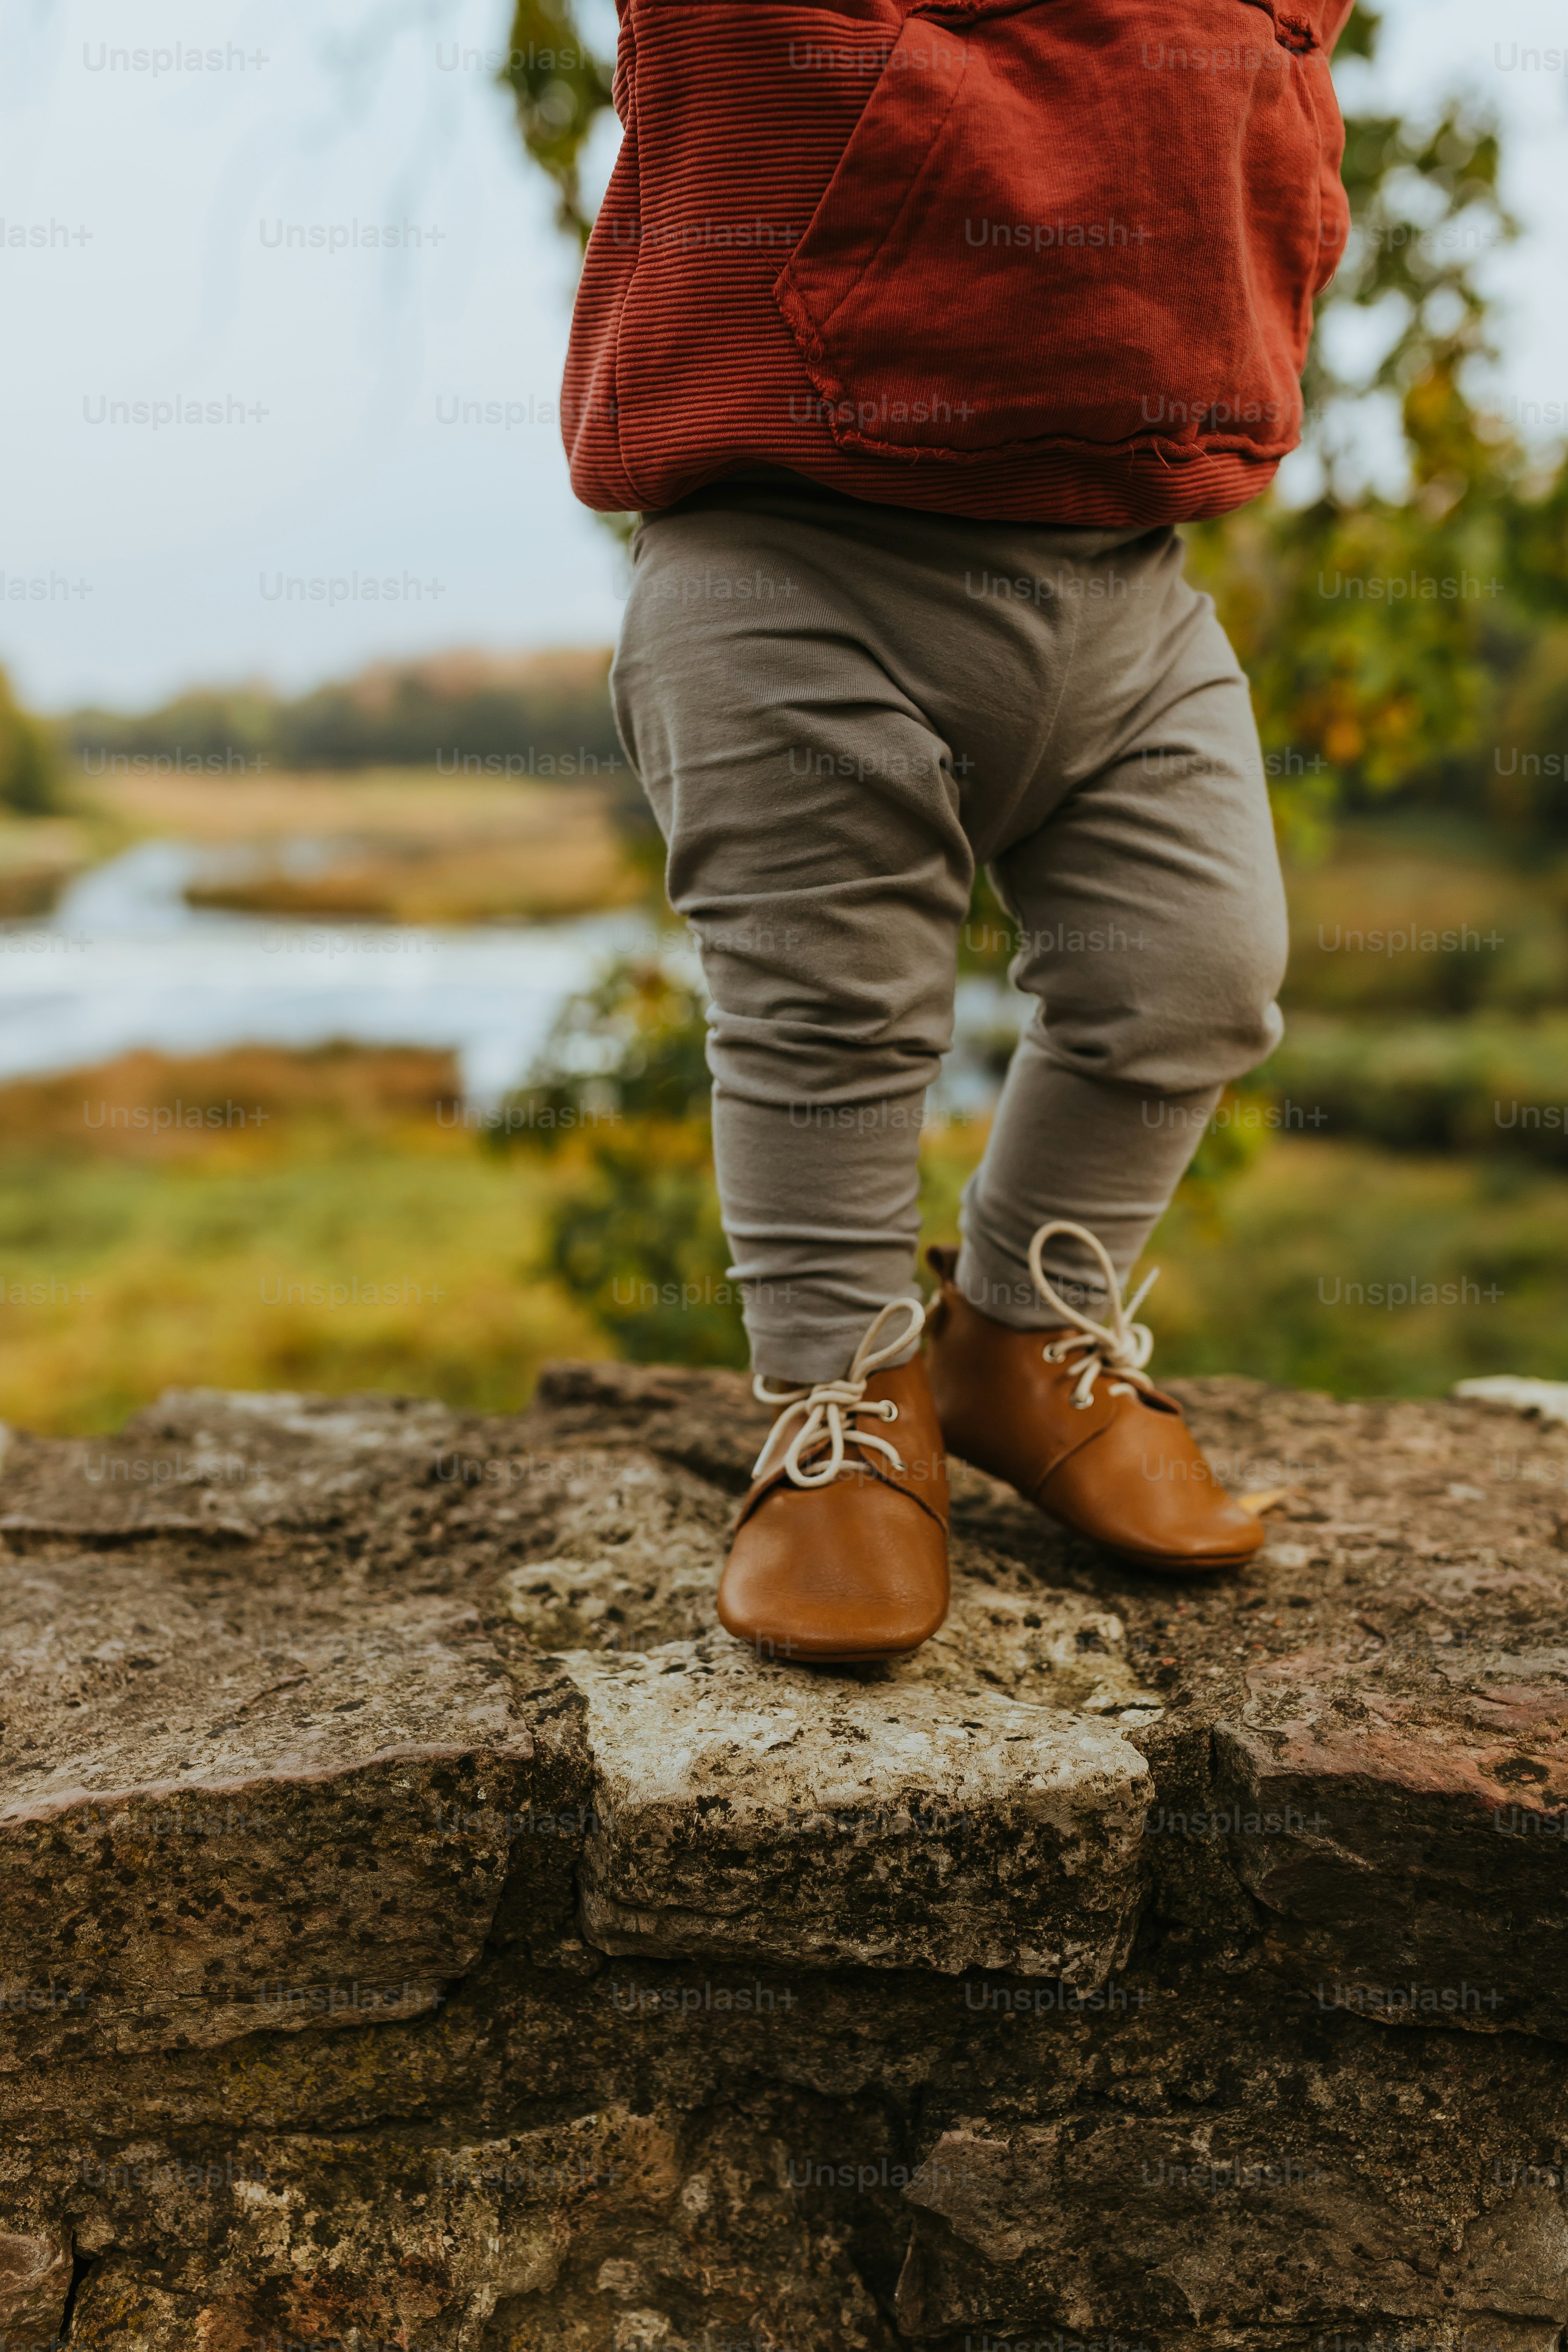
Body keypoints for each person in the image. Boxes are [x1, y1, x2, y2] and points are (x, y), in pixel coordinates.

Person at [560, 0, 1355, 1663]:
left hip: (1126, 566)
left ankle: (1018, 1339)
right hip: (792, 548)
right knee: (830, 1006)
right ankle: (842, 1399)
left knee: (1199, 972)